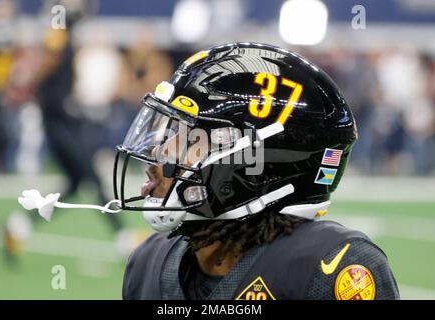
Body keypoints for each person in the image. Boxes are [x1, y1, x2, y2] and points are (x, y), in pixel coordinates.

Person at [114, 43, 399, 300]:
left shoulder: (330, 268)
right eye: (171, 133)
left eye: (190, 139)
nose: (157, 155)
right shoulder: (148, 262)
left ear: (254, 162)